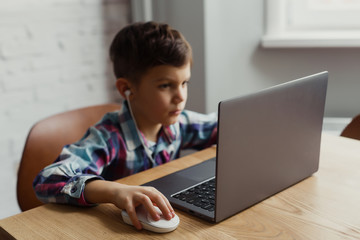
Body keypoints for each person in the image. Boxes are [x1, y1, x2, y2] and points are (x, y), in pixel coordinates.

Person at [33, 21, 217, 230]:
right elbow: (48, 179)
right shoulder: (108, 137)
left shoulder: (178, 124)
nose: (180, 97)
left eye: (184, 83)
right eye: (166, 85)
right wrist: (115, 192)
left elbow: (224, 128)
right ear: (126, 88)